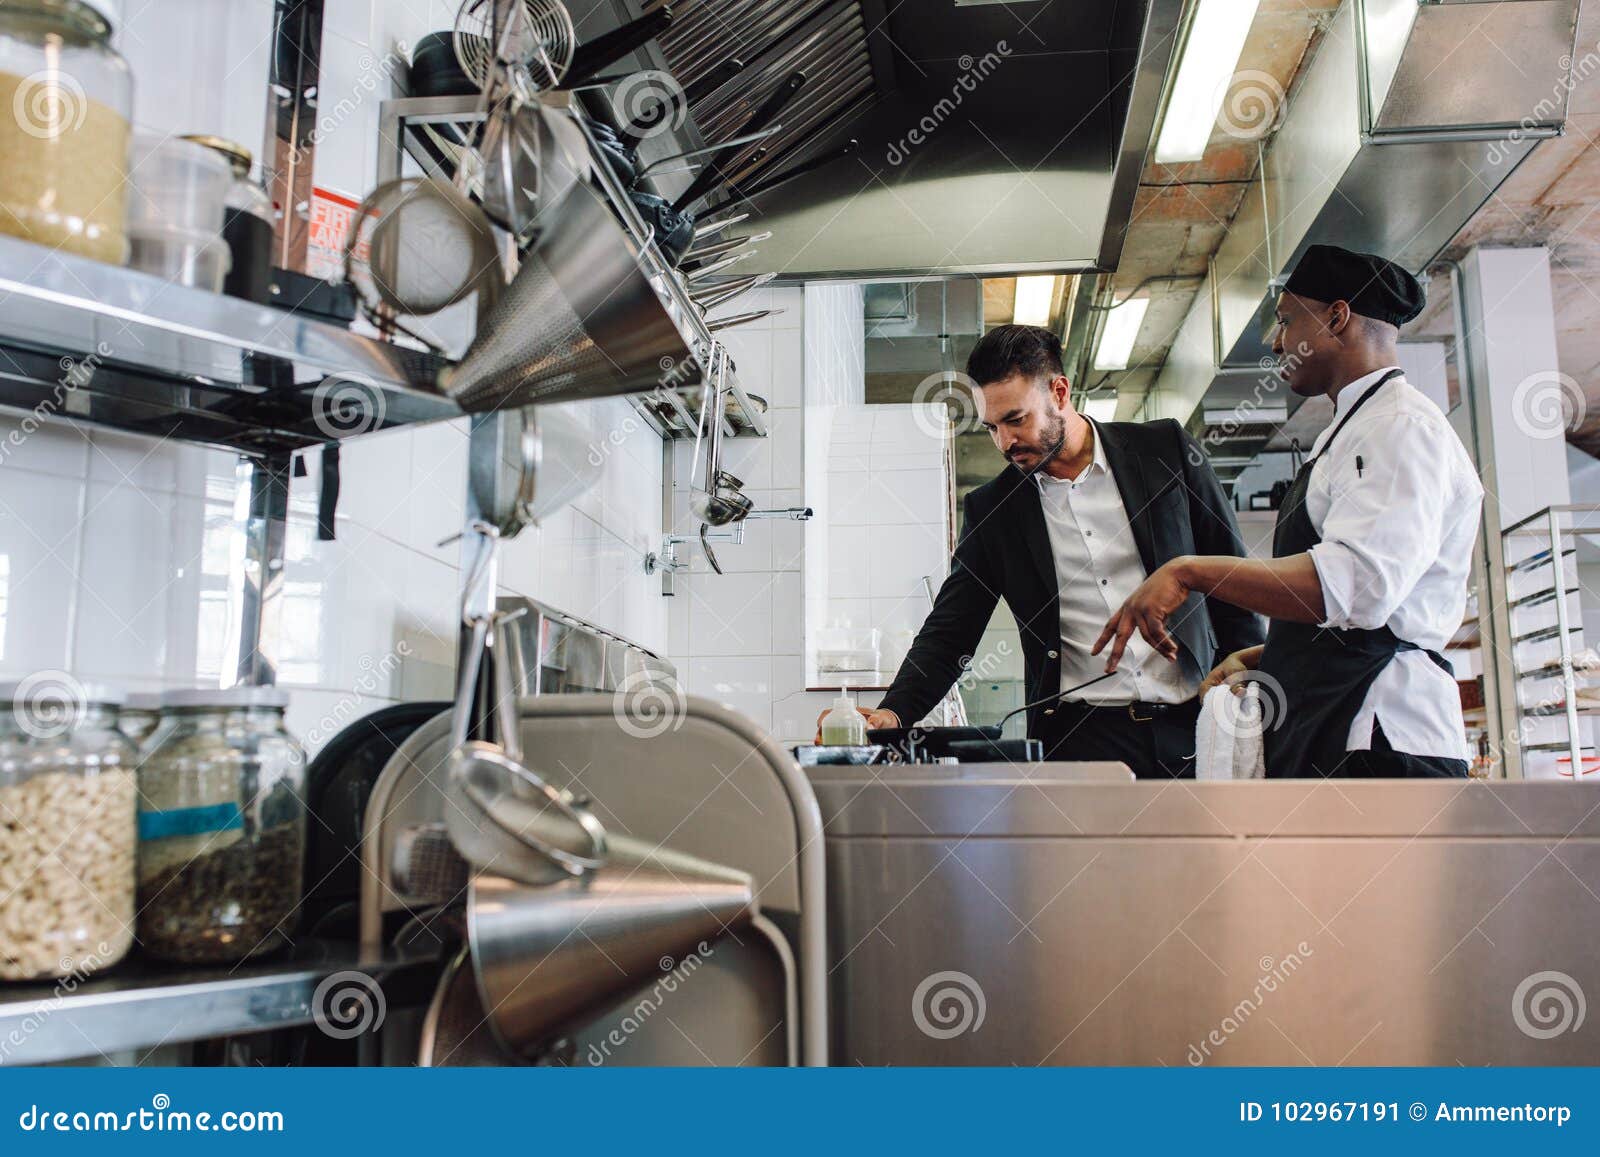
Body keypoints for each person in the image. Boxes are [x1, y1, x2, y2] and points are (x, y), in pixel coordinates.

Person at [1094, 244, 1483, 778]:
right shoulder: (1349, 431)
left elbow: (1357, 588)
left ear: (1336, 316)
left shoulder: (1399, 429)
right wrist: (1260, 657)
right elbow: (1347, 614)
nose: (1276, 341)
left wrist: (1188, 571)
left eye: (1284, 321)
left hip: (1381, 735)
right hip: (1332, 726)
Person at [843, 324, 1263, 778]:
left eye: (1016, 420)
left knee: (1205, 850)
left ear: (1059, 392)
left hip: (1195, 721)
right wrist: (896, 711)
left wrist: (1253, 697)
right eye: (991, 428)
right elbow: (952, 629)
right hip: (1080, 739)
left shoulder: (1165, 451)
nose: (1004, 443)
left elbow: (1231, 578)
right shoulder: (994, 510)